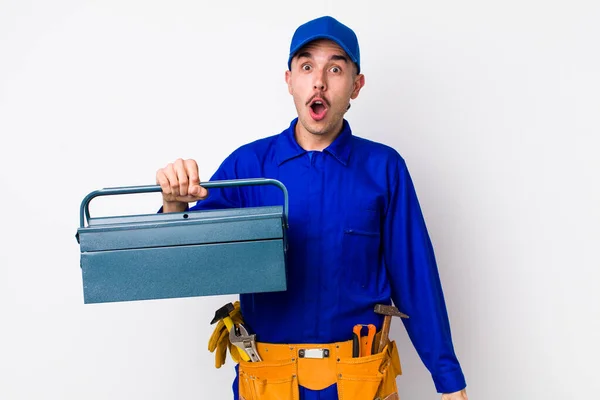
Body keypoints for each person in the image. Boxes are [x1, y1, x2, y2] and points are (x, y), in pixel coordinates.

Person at [156, 15, 468, 400]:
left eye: (335, 68)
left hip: (360, 381)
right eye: (307, 67)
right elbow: (182, 261)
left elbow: (416, 279)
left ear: (356, 85)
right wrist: (173, 204)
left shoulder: (384, 169)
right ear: (289, 80)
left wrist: (448, 380)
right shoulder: (247, 168)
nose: (319, 81)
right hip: (268, 382)